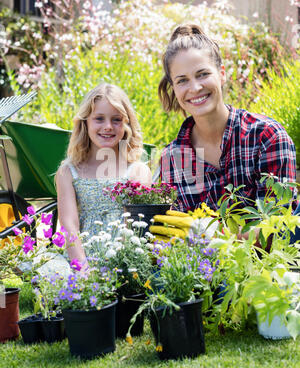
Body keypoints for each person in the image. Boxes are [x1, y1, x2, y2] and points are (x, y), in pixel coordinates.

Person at [157, 23, 299, 238]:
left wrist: (207, 236)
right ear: (174, 89)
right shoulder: (172, 158)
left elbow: (278, 230)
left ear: (222, 74)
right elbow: (174, 239)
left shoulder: (267, 137)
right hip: (200, 271)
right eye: (182, 80)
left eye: (203, 74)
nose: (195, 88)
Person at [55, 83, 152, 271]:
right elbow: (69, 225)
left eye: (116, 120)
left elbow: (137, 227)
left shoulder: (137, 171)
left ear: (127, 125)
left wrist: (119, 267)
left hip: (127, 262)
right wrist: (83, 269)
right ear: (85, 122)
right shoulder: (68, 172)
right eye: (99, 119)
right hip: (81, 259)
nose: (107, 127)